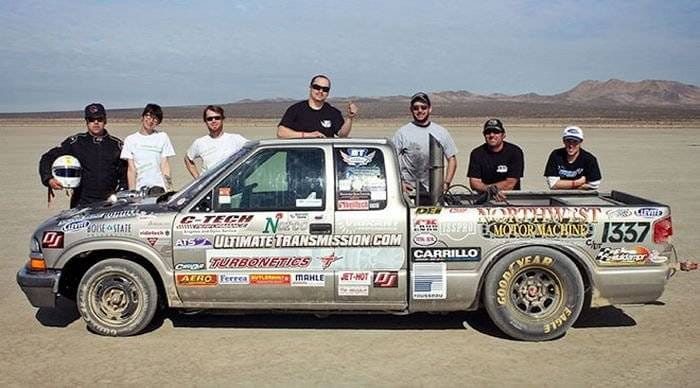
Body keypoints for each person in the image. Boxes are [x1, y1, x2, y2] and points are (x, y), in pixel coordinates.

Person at [39, 103, 127, 208]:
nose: (96, 122)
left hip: (110, 203)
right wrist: (48, 179)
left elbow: (125, 174)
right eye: (91, 119)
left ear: (105, 121)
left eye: (99, 119)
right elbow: (47, 158)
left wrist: (120, 194)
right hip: (81, 202)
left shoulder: (117, 145)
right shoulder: (76, 143)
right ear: (86, 122)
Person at [392, 92, 458, 194]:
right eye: (416, 108)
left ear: (430, 109)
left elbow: (452, 159)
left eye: (423, 107)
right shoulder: (402, 133)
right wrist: (399, 183)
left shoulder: (441, 132)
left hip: (434, 191)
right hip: (409, 191)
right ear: (411, 110)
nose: (420, 111)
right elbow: (391, 160)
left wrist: (446, 183)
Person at [277, 74, 358, 138]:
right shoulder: (295, 110)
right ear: (310, 87)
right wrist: (310, 135)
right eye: (317, 87)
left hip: (324, 158)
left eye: (325, 89)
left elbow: (342, 135)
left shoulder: (333, 112)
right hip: (298, 158)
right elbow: (281, 133)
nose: (320, 91)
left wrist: (350, 118)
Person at [120, 104, 176, 191]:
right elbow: (131, 169)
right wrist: (132, 192)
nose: (150, 121)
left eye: (155, 119)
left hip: (159, 188)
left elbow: (165, 165)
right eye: (148, 116)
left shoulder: (162, 137)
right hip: (140, 189)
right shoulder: (130, 140)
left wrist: (169, 188)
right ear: (142, 117)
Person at [184, 105, 248, 178]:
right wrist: (198, 180)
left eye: (217, 118)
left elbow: (254, 152)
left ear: (222, 119)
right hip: (210, 186)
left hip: (232, 184)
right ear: (205, 121)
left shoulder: (236, 139)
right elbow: (188, 158)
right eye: (210, 119)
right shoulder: (200, 142)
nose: (213, 121)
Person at [467, 119, 524, 194]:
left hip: (510, 198)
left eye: (496, 132)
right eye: (488, 132)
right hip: (484, 198)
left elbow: (510, 183)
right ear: (484, 135)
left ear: (503, 135)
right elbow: (474, 183)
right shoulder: (476, 154)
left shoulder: (515, 152)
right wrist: (491, 190)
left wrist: (492, 190)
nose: (491, 135)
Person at [544, 126, 602, 190]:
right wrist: (578, 182)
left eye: (575, 141)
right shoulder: (556, 155)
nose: (571, 145)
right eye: (568, 141)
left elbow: (594, 184)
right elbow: (553, 184)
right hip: (559, 196)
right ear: (563, 141)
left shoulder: (589, 159)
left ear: (581, 142)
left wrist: (563, 185)